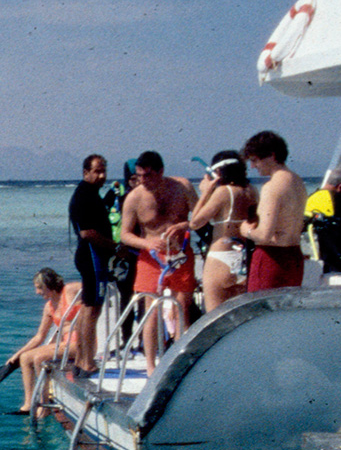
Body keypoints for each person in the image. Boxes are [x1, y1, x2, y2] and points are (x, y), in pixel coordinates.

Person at [118, 150, 197, 366]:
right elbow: (125, 235)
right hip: (151, 258)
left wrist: (184, 225)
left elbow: (200, 217)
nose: (143, 181)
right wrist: (147, 243)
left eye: (149, 175)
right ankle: (151, 365)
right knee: (150, 311)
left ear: (161, 171)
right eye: (139, 175)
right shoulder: (134, 198)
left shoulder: (182, 187)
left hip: (180, 255)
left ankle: (179, 363)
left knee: (182, 309)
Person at [186, 150, 257, 314]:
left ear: (218, 172)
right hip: (244, 259)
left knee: (214, 320)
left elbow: (195, 223)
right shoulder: (252, 191)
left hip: (220, 260)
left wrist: (205, 193)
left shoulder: (224, 192)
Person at [240, 130, 308, 290]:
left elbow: (264, 235)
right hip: (295, 257)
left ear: (272, 155)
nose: (252, 166)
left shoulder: (272, 187)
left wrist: (245, 231)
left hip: (271, 258)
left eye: (255, 160)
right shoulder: (298, 182)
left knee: (259, 312)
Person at [9, 268, 81, 416]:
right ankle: (29, 404)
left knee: (40, 358)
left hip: (80, 342)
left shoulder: (70, 290)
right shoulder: (49, 307)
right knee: (25, 358)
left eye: (39, 287)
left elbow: (95, 286)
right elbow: (39, 337)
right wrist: (17, 354)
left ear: (49, 285)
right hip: (64, 344)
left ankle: (45, 404)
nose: (37, 292)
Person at [67, 154, 114, 372]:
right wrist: (114, 247)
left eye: (104, 170)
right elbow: (87, 232)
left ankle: (81, 358)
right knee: (92, 309)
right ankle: (86, 360)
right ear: (86, 172)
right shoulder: (84, 195)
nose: (102, 175)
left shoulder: (91, 194)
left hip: (92, 257)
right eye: (97, 171)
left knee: (89, 306)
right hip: (91, 257)